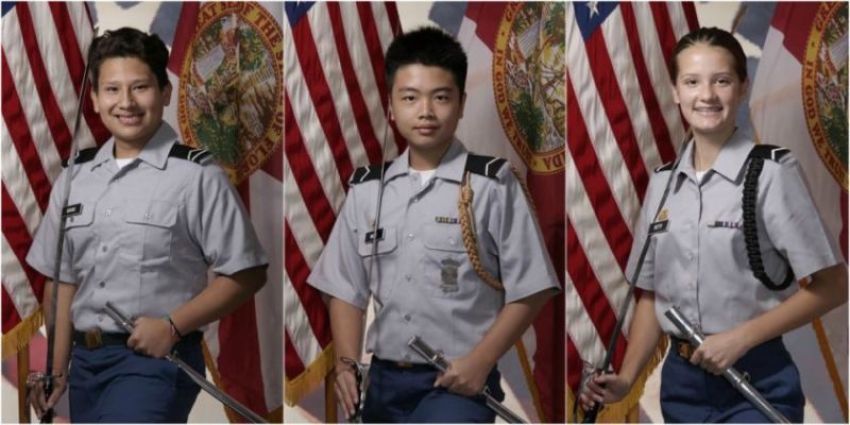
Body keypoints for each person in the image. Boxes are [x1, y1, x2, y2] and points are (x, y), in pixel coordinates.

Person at [578, 27, 847, 422]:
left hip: (756, 377)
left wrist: (740, 338)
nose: (706, 95)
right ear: (675, 91)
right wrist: (627, 375)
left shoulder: (772, 172)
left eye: (721, 81)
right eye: (692, 82)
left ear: (742, 87)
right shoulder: (663, 183)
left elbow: (834, 285)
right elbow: (652, 296)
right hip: (682, 383)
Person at [307, 26, 560, 423]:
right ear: (391, 106)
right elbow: (343, 287)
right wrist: (345, 364)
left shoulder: (491, 185)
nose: (425, 111)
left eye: (441, 97)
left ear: (461, 104)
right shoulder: (367, 190)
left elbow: (533, 286)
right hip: (384, 382)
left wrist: (481, 362)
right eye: (410, 98)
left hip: (456, 382)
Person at [25, 27, 268, 422]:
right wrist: (54, 368)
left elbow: (248, 272)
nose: (126, 103)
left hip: (155, 360)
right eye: (112, 90)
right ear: (96, 98)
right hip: (86, 364)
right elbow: (62, 280)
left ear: (165, 92)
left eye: (140, 87)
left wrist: (173, 326)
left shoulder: (195, 175)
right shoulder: (76, 176)